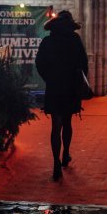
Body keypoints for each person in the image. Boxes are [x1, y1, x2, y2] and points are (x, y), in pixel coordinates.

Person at [35, 10, 88, 182]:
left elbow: (39, 63)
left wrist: (49, 78)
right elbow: (83, 64)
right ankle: (65, 154)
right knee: (67, 122)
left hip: (54, 87)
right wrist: (78, 82)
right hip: (71, 87)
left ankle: (56, 163)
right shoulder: (75, 40)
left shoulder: (47, 41)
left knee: (55, 126)